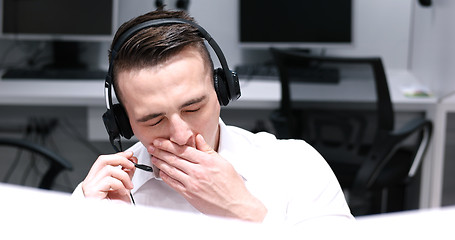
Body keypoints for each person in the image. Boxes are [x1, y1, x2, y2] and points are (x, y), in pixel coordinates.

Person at [72, 8, 354, 226]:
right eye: (153, 120)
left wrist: (241, 211)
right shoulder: (100, 198)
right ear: (124, 123)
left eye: (193, 108)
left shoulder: (298, 167)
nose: (181, 136)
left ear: (222, 90)